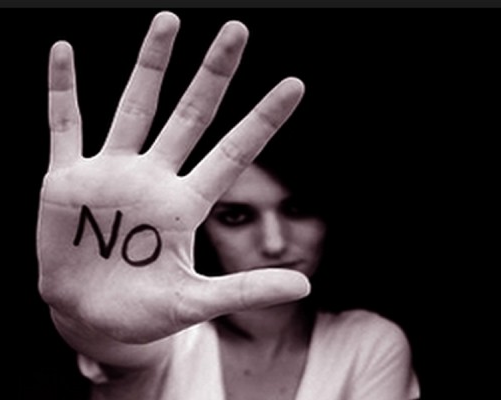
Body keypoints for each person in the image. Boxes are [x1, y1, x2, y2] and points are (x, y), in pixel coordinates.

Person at [36, 11, 420, 400]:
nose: (274, 243)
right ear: (202, 228)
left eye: (297, 209)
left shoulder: (368, 344)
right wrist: (81, 318)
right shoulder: (167, 335)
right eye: (236, 217)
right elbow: (118, 341)